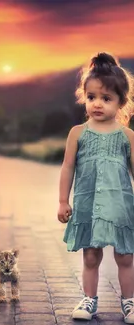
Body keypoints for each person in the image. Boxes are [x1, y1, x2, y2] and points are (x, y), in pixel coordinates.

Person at [57, 52, 134, 324]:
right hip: (88, 205)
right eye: (91, 98)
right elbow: (68, 167)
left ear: (121, 101)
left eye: (106, 98)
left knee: (125, 256)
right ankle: (89, 300)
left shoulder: (127, 136)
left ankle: (129, 302)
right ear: (84, 97)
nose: (97, 104)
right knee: (90, 256)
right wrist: (63, 201)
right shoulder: (77, 133)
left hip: (121, 206)